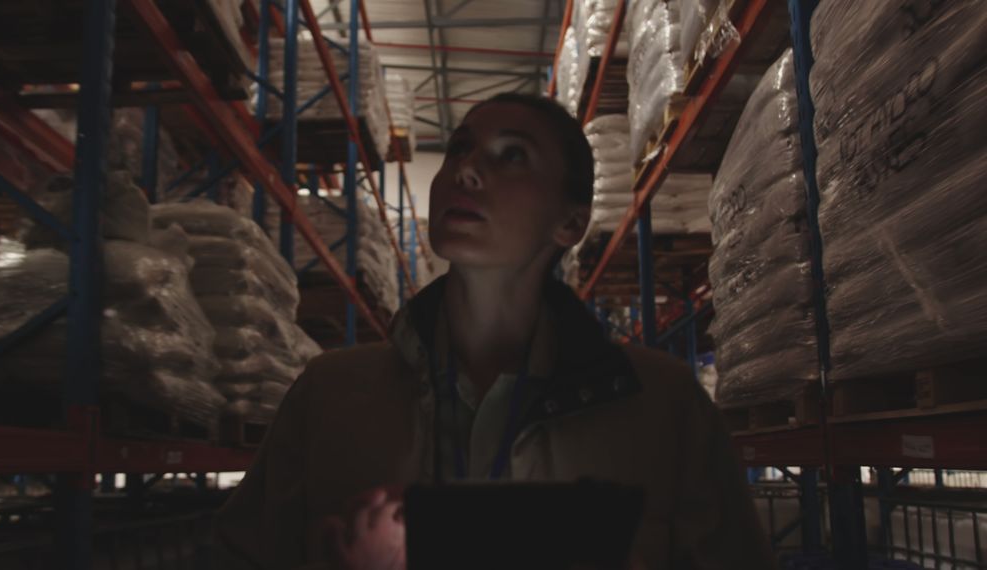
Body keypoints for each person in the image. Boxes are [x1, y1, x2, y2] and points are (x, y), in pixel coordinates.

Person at [214, 93, 775, 569]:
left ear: (572, 222)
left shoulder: (664, 406)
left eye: (512, 157)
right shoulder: (328, 395)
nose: (466, 170)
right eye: (460, 148)